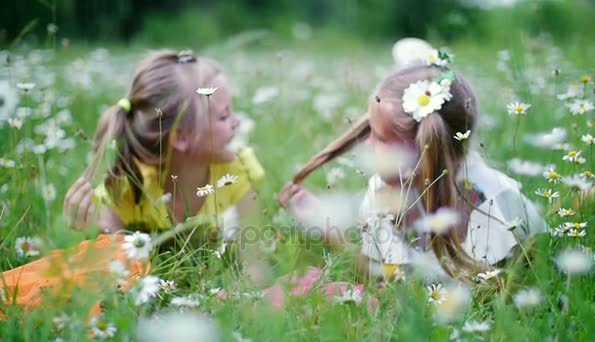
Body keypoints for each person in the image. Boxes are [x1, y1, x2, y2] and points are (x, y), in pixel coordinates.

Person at [1, 50, 264, 315]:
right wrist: (85, 229)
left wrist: (234, 295)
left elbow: (255, 262)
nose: (237, 122)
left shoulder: (237, 171)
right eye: (224, 116)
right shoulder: (130, 185)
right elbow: (106, 260)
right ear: (182, 138)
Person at [279, 52, 547, 281]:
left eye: (380, 138)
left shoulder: (496, 207)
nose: (367, 145)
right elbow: (382, 276)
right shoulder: (382, 192)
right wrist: (326, 226)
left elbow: (485, 294)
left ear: (425, 151)